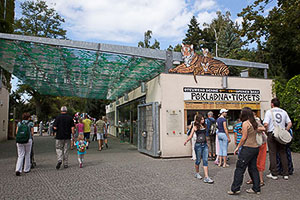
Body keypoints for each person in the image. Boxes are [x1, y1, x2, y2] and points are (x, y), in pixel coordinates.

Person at [228, 107, 265, 195]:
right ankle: (256, 188)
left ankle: (235, 189)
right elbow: (262, 129)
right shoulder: (254, 122)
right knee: (253, 169)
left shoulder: (245, 123)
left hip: (247, 148)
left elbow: (244, 137)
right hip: (255, 148)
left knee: (240, 169)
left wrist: (237, 147)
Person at [263, 98, 292, 180]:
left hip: (272, 133)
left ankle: (274, 173)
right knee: (283, 153)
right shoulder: (284, 112)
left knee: (273, 153)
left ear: (272, 104)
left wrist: (266, 132)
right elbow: (290, 123)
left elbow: (265, 124)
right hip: (281, 134)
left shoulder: (269, 112)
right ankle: (285, 173)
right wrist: (285, 130)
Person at [184, 114, 214, 184]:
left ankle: (206, 177)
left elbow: (205, 136)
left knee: (205, 160)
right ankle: (197, 173)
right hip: (198, 145)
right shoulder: (195, 127)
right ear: (198, 120)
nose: (203, 120)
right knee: (198, 160)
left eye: (203, 119)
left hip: (205, 145)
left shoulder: (204, 126)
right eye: (202, 119)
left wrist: (207, 144)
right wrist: (186, 141)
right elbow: (191, 135)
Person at [246, 112, 267, 187]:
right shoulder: (249, 122)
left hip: (260, 143)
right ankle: (254, 179)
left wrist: (254, 129)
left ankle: (260, 180)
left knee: (259, 161)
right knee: (253, 162)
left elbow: (263, 128)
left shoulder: (255, 121)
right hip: (254, 144)